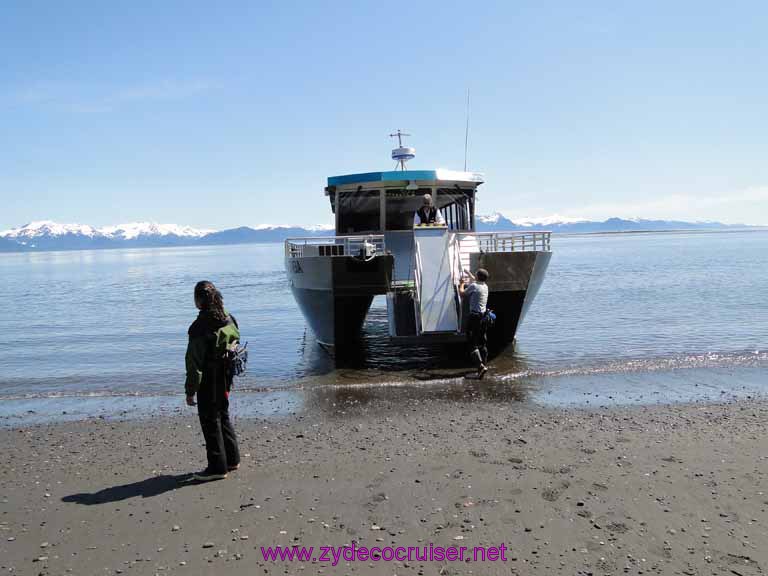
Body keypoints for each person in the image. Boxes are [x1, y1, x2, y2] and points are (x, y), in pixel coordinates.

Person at [185, 280, 241, 481]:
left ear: (199, 301)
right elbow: (236, 339)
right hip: (226, 375)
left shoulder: (199, 327)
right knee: (222, 414)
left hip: (210, 377)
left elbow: (194, 364)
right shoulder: (228, 318)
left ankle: (217, 467)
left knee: (210, 420)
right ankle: (232, 459)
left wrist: (190, 390)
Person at [459, 268, 490, 378]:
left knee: (472, 343)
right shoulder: (485, 286)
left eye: (475, 274)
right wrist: (468, 273)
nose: (474, 276)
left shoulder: (473, 286)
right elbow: (475, 281)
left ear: (478, 277)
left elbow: (462, 294)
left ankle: (480, 368)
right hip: (483, 318)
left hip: (474, 317)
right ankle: (485, 365)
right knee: (482, 342)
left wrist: (461, 284)